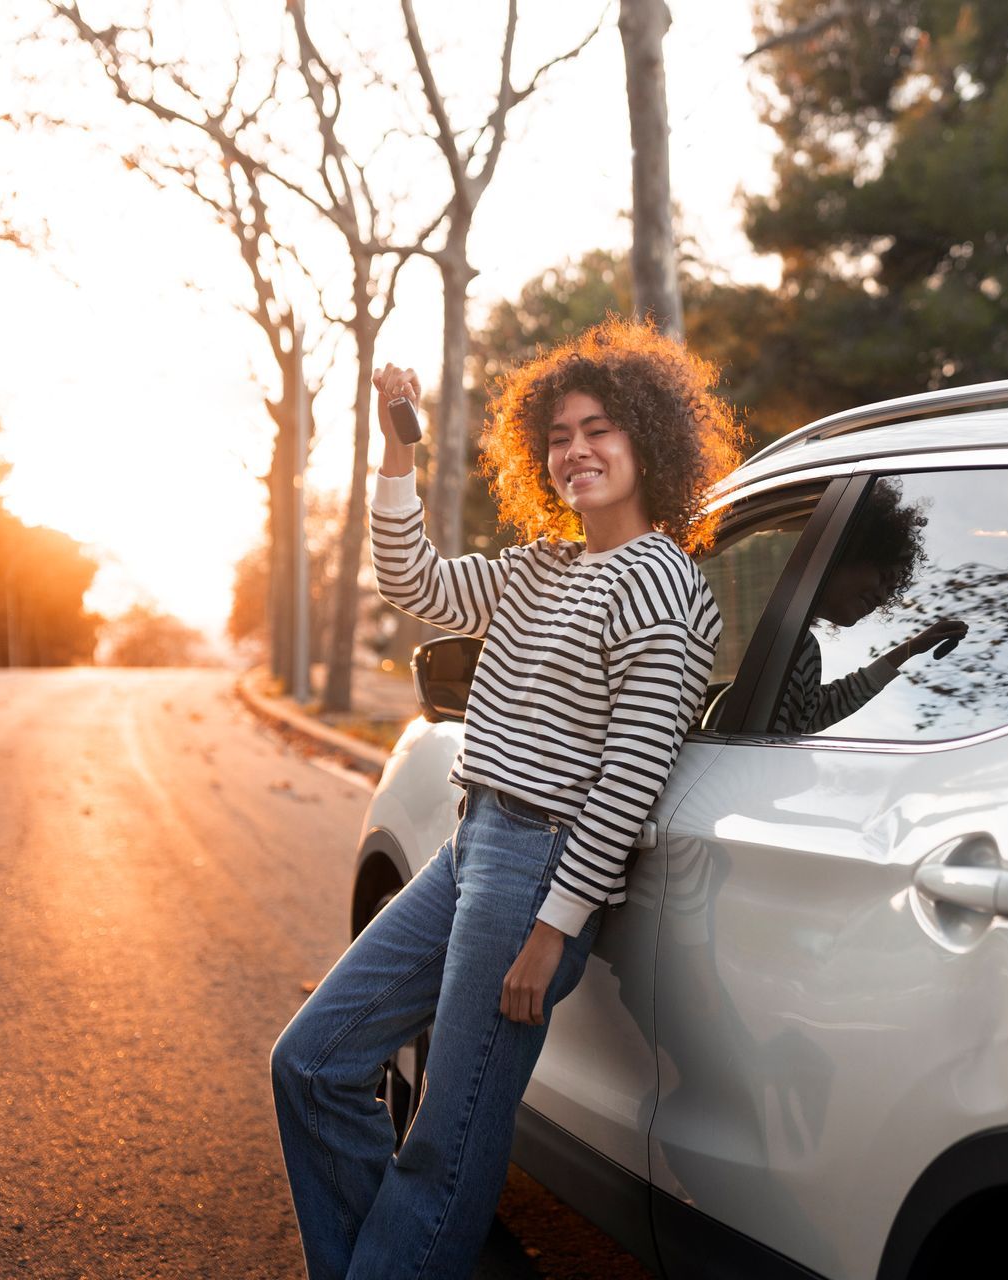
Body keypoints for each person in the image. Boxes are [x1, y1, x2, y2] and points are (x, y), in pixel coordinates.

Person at [270, 318, 740, 1280]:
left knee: (449, 1144)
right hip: (471, 843)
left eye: (599, 428)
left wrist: (555, 927)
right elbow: (410, 578)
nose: (577, 451)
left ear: (648, 439)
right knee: (311, 1063)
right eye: (560, 436)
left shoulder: (665, 589)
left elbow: (630, 777)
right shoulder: (539, 568)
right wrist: (399, 451)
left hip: (538, 871)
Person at [770, 477, 966, 734]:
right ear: (848, 552)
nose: (883, 598)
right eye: (884, 579)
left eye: (890, 592)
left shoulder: (796, 644)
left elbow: (813, 713)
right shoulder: (786, 640)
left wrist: (911, 649)